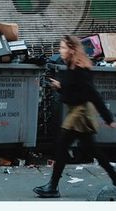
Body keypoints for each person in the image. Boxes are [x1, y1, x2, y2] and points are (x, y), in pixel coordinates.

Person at [33, 35, 116, 198]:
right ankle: (114, 176)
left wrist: (108, 118)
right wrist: (60, 87)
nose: (60, 51)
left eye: (63, 48)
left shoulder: (80, 69)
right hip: (76, 111)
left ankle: (53, 187)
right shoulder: (72, 66)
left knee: (62, 147)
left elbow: (92, 94)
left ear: (72, 50)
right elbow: (74, 90)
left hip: (80, 113)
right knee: (92, 149)